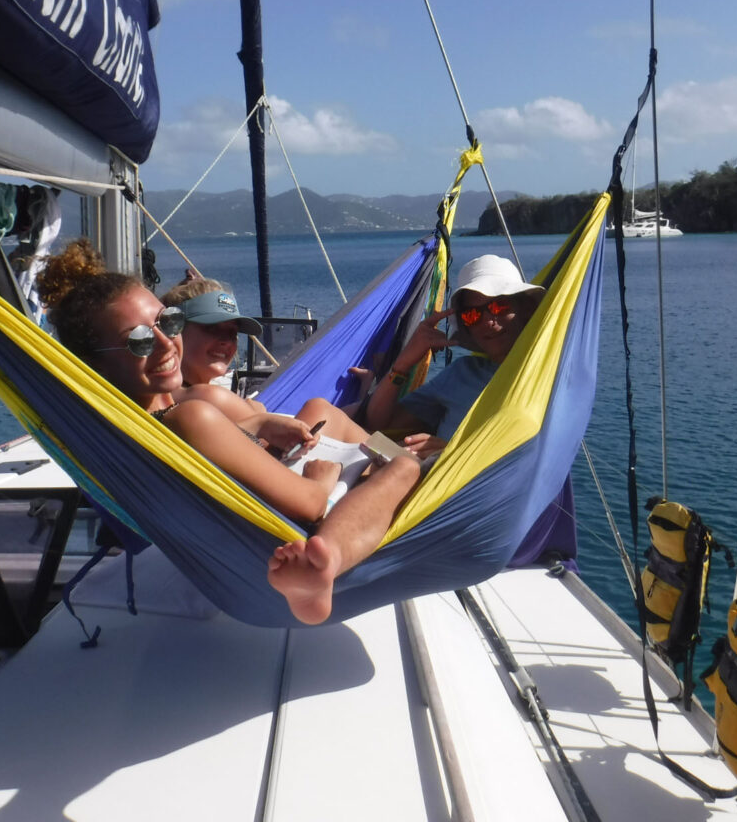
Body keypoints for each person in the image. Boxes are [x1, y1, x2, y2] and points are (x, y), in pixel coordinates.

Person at [38, 239, 422, 625]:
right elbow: (310, 504)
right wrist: (323, 479)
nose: (165, 343)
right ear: (92, 366)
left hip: (254, 527)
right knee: (404, 468)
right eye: (137, 341)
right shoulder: (191, 417)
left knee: (326, 414)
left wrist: (256, 425)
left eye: (168, 321)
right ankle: (332, 561)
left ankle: (403, 458)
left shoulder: (146, 423)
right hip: (296, 533)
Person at [363, 254, 544, 459]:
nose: (488, 322)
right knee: (323, 410)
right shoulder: (463, 373)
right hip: (425, 478)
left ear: (526, 309)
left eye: (498, 306)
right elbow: (378, 423)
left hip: (470, 485)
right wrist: (404, 362)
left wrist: (451, 453)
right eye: (472, 315)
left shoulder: (545, 375)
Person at [159, 276, 262, 389]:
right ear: (174, 330)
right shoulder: (214, 399)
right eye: (212, 328)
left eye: (232, 332)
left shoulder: (161, 397)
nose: (226, 341)